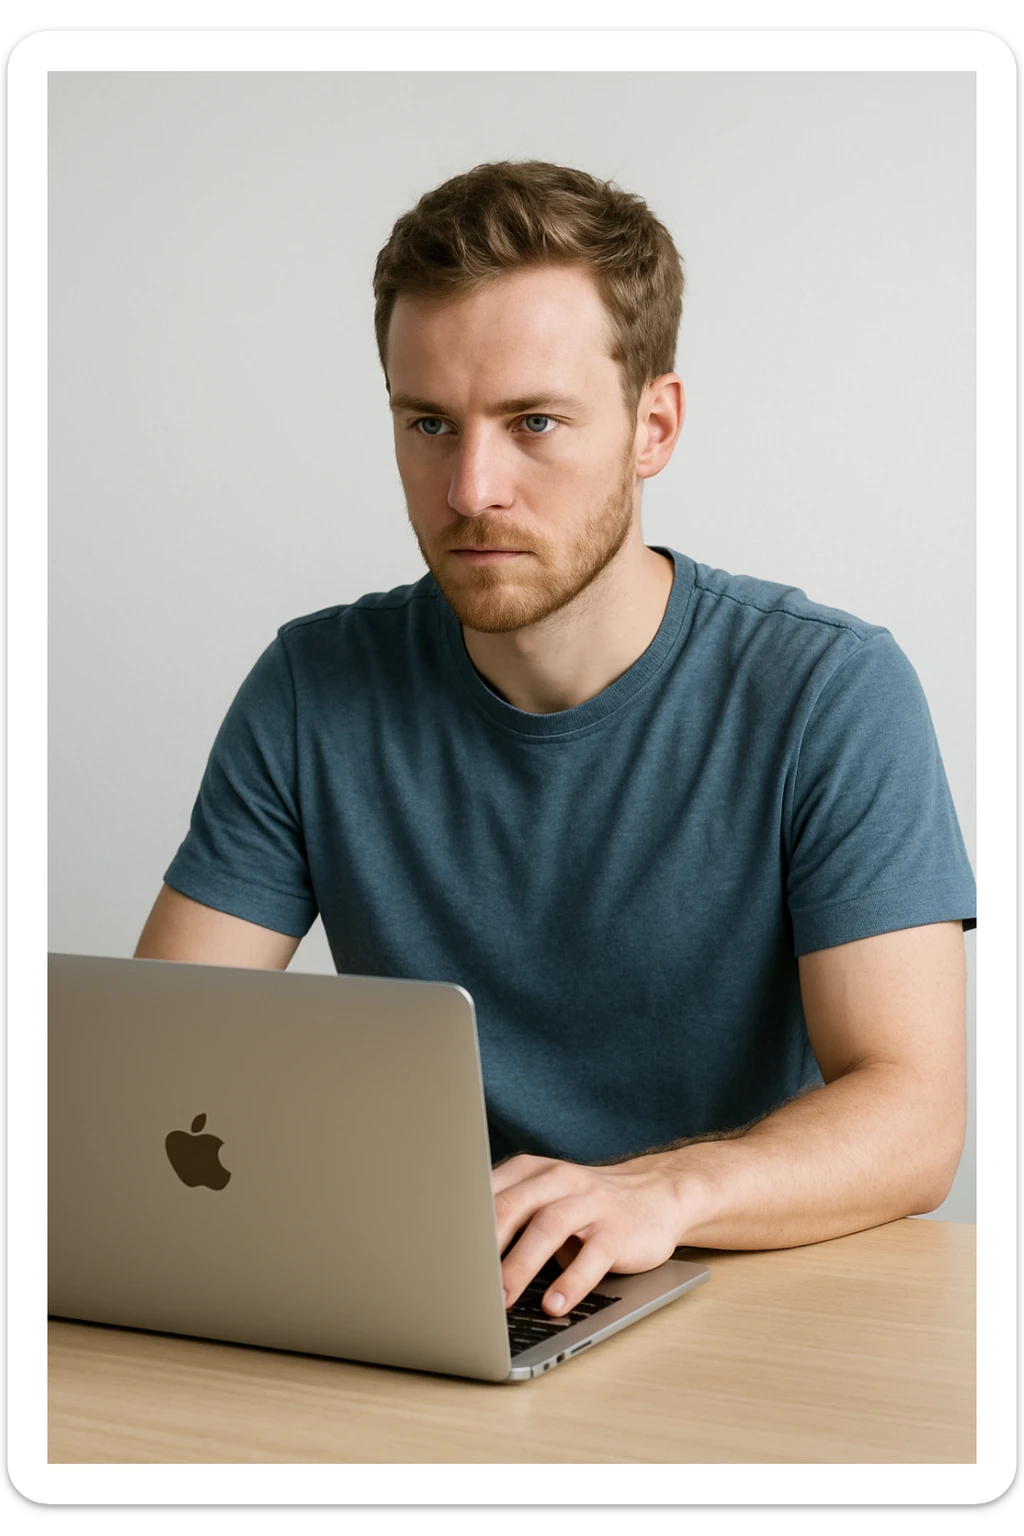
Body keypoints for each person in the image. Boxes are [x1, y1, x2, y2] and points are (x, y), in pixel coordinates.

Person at [135, 160, 976, 1321]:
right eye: (428, 423)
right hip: (427, 1290)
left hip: (730, 1296)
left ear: (653, 424)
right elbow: (156, 1064)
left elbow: (913, 1118)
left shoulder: (828, 689)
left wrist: (657, 1193)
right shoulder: (311, 686)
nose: (471, 487)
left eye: (533, 422)